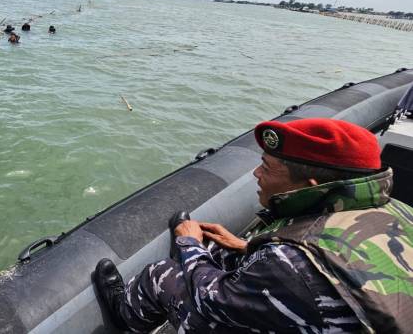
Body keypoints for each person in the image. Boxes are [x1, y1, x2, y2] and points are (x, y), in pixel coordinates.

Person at [94, 118, 413, 333]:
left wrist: (189, 246)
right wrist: (248, 246)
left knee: (161, 276)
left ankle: (124, 318)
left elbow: (211, 301)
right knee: (229, 256)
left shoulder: (290, 264)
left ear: (309, 185)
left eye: (267, 168)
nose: (257, 176)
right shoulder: (400, 212)